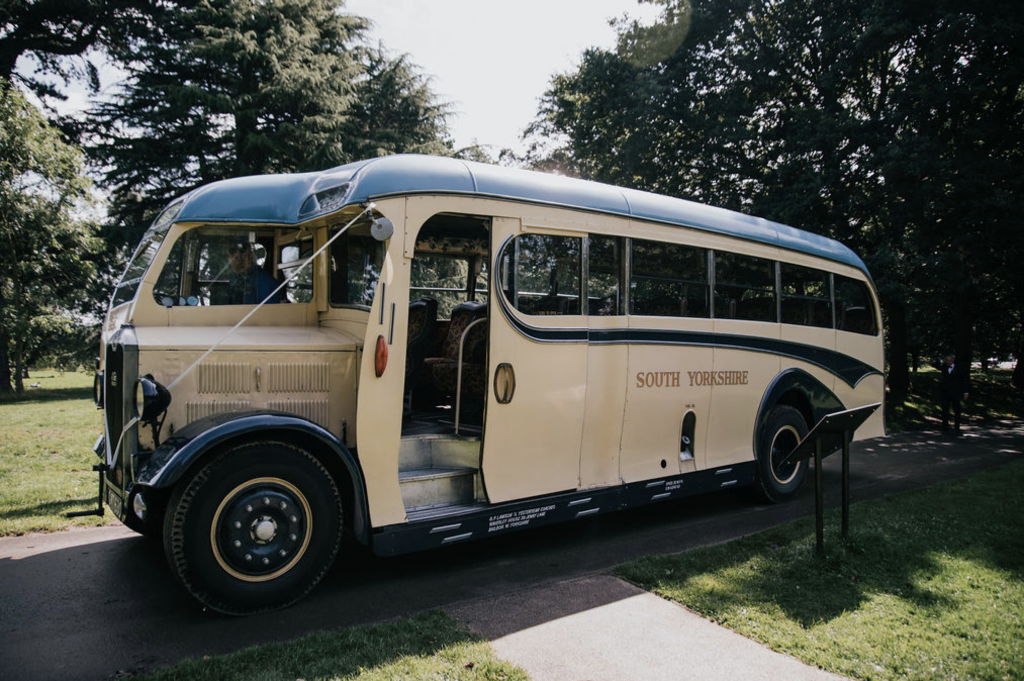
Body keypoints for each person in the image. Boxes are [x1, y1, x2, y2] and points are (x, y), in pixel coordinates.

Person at [938, 354, 969, 434]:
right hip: (945, 393)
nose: (948, 361)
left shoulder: (959, 368)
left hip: (956, 393)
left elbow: (964, 381)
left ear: (953, 360)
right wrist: (942, 361)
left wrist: (965, 392)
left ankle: (957, 427)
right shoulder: (944, 367)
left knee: (957, 410)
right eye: (947, 360)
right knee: (945, 410)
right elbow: (934, 364)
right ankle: (945, 426)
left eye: (950, 360)